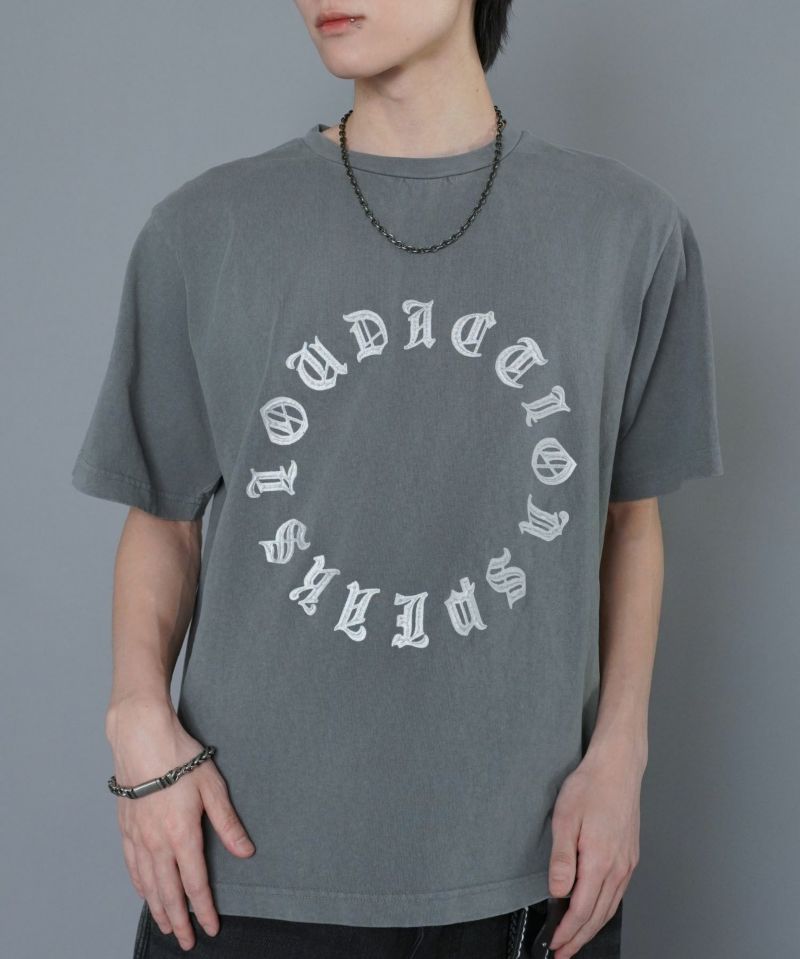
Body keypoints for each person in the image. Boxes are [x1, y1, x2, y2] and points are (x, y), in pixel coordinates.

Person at [70, 1, 724, 957]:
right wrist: (136, 719)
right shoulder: (203, 229)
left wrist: (622, 755)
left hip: (533, 866)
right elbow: (163, 518)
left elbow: (628, 518)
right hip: (242, 864)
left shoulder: (628, 232)